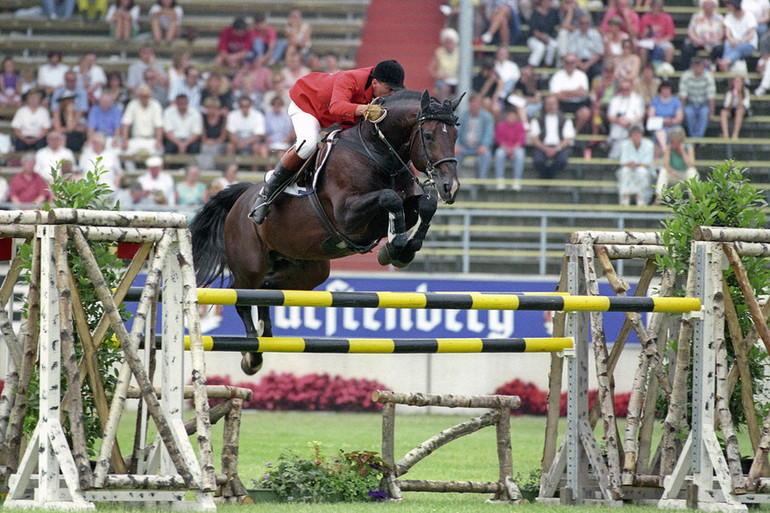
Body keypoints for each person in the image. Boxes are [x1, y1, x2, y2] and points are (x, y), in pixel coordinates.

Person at [250, 59, 406, 224]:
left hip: (333, 117)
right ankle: (267, 192)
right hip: (307, 104)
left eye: (396, 91)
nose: (392, 95)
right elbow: (336, 107)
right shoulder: (350, 79)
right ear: (375, 83)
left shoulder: (379, 89)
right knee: (309, 143)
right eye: (389, 89)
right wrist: (364, 109)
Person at [529, 94, 574, 179]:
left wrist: (556, 149)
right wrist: (545, 148)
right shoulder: (537, 120)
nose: (550, 106)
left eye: (552, 104)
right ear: (544, 105)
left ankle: (547, 176)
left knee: (562, 160)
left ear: (557, 105)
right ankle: (546, 177)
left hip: (559, 147)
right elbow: (535, 139)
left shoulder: (565, 120)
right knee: (538, 161)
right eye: (548, 104)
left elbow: (567, 139)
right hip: (542, 146)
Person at [455, 93, 495, 182]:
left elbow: (489, 133)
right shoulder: (462, 116)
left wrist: (484, 145)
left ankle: (481, 181)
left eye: (476, 103)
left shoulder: (487, 117)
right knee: (452, 155)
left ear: (480, 104)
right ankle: (453, 181)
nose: (474, 105)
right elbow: (456, 131)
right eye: (472, 103)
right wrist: (456, 144)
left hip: (479, 146)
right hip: (464, 146)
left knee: (486, 155)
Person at [549, 53, 591, 134]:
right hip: (561, 104)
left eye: (572, 62)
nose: (569, 65)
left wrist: (564, 92)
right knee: (551, 108)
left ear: (576, 63)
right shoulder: (557, 76)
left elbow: (583, 93)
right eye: (567, 62)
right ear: (563, 63)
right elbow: (555, 95)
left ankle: (574, 133)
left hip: (578, 104)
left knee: (585, 113)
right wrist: (575, 92)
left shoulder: (582, 75)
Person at [655, 126, 698, 201]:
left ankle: (693, 197)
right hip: (674, 175)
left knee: (692, 171)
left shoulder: (688, 147)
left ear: (680, 141)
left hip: (685, 176)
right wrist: (671, 171)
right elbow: (665, 165)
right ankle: (659, 197)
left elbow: (691, 164)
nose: (671, 142)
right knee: (663, 172)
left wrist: (682, 151)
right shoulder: (669, 148)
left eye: (673, 141)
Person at [680, 0, 724, 71]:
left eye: (710, 4)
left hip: (713, 43)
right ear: (702, 5)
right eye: (706, 4)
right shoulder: (696, 17)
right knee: (687, 49)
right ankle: (686, 70)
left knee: (719, 49)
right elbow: (690, 31)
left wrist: (712, 40)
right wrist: (696, 40)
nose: (708, 7)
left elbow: (721, 33)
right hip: (698, 42)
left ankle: (715, 70)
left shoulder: (719, 18)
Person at [120, 84, 163, 155]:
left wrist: (158, 141)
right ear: (138, 96)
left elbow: (159, 126)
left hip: (151, 140)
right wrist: (125, 141)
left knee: (159, 151)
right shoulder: (132, 104)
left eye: (146, 96)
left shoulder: (156, 105)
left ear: (150, 96)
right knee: (123, 151)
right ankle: (131, 167)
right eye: (142, 96)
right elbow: (126, 124)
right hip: (136, 140)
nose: (144, 98)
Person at [617, 124, 655, 205]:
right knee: (625, 171)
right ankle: (625, 198)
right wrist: (630, 164)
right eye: (633, 135)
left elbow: (647, 164)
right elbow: (623, 162)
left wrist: (636, 164)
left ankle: (641, 198)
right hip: (629, 168)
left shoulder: (649, 145)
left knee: (642, 172)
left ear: (641, 135)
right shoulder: (625, 144)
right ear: (630, 136)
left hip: (645, 170)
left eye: (637, 134)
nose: (635, 137)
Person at [679, 57, 716, 139]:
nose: (698, 68)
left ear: (703, 66)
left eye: (699, 65)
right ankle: (694, 138)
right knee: (688, 112)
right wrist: (681, 112)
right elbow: (683, 96)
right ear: (692, 66)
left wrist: (712, 113)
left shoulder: (708, 76)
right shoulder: (686, 75)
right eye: (696, 65)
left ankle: (698, 139)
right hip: (690, 103)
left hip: (703, 103)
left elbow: (711, 97)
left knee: (705, 113)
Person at [717, 0, 758, 72]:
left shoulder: (749, 15)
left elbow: (751, 34)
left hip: (748, 44)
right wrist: (731, 40)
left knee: (739, 48)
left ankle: (725, 62)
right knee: (727, 43)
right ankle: (726, 66)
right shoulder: (728, 17)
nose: (727, 7)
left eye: (729, 4)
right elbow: (728, 33)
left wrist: (740, 41)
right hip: (733, 43)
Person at [493, 108, 527, 190]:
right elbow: (499, 140)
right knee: (499, 154)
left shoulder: (520, 126)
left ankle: (517, 180)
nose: (511, 118)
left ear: (516, 117)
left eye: (513, 116)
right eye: (509, 116)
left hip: (516, 148)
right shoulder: (501, 125)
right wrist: (507, 149)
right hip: (504, 148)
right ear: (506, 116)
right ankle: (499, 180)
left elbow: (521, 140)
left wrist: (513, 150)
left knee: (520, 154)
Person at [225, 96, 267, 161]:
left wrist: (246, 142)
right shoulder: (232, 115)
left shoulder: (258, 115)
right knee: (230, 146)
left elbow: (257, 136)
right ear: (239, 106)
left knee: (255, 147)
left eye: (246, 106)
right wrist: (238, 143)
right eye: (242, 106)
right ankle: (231, 168)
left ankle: (254, 170)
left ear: (250, 106)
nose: (244, 108)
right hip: (237, 142)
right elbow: (231, 135)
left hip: (251, 142)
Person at [647, 79, 683, 150]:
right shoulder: (655, 101)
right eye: (664, 89)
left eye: (667, 89)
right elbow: (651, 116)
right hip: (658, 126)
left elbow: (679, 117)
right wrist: (663, 121)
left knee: (675, 133)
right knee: (660, 132)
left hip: (672, 125)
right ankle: (664, 149)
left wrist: (671, 121)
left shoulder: (676, 101)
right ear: (660, 90)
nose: (665, 91)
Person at [638, 0, 676, 67]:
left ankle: (666, 69)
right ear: (651, 8)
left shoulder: (667, 17)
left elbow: (670, 35)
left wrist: (660, 41)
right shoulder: (645, 17)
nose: (656, 10)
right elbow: (640, 36)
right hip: (648, 41)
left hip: (662, 40)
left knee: (670, 48)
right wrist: (645, 32)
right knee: (642, 49)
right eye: (654, 8)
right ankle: (644, 69)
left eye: (658, 8)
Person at [568, 13, 604, 81]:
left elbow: (598, 53)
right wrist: (581, 64)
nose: (584, 25)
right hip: (577, 62)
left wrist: (587, 65)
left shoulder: (595, 35)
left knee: (599, 70)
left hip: (592, 62)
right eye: (582, 23)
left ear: (590, 24)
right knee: (570, 67)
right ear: (579, 24)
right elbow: (572, 53)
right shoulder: (574, 35)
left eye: (586, 23)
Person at [428, 27, 460, 101]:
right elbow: (431, 69)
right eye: (447, 42)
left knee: (461, 88)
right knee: (445, 88)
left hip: (457, 79)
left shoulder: (459, 51)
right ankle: (445, 108)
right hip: (443, 80)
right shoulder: (439, 52)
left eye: (450, 41)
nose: (449, 44)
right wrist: (439, 76)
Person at [527, 0, 559, 67]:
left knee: (554, 45)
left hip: (547, 37)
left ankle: (546, 68)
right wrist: (542, 38)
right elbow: (534, 30)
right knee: (540, 47)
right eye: (545, 1)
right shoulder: (535, 13)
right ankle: (530, 68)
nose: (547, 3)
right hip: (534, 38)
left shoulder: (552, 13)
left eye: (549, 1)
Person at [197, 96, 227, 169]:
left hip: (219, 142)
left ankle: (211, 169)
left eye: (213, 108)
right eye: (209, 108)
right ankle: (203, 168)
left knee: (214, 149)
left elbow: (223, 136)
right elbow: (203, 136)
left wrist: (215, 142)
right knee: (204, 148)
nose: (211, 110)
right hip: (207, 142)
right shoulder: (203, 118)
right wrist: (207, 141)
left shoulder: (223, 118)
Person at [720, 74, 751, 139]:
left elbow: (743, 106)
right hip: (731, 109)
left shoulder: (745, 91)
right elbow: (727, 107)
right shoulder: (729, 92)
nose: (737, 83)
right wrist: (732, 97)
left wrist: (739, 94)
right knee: (723, 112)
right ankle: (725, 134)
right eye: (736, 81)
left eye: (739, 81)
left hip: (742, 110)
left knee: (739, 110)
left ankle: (735, 134)